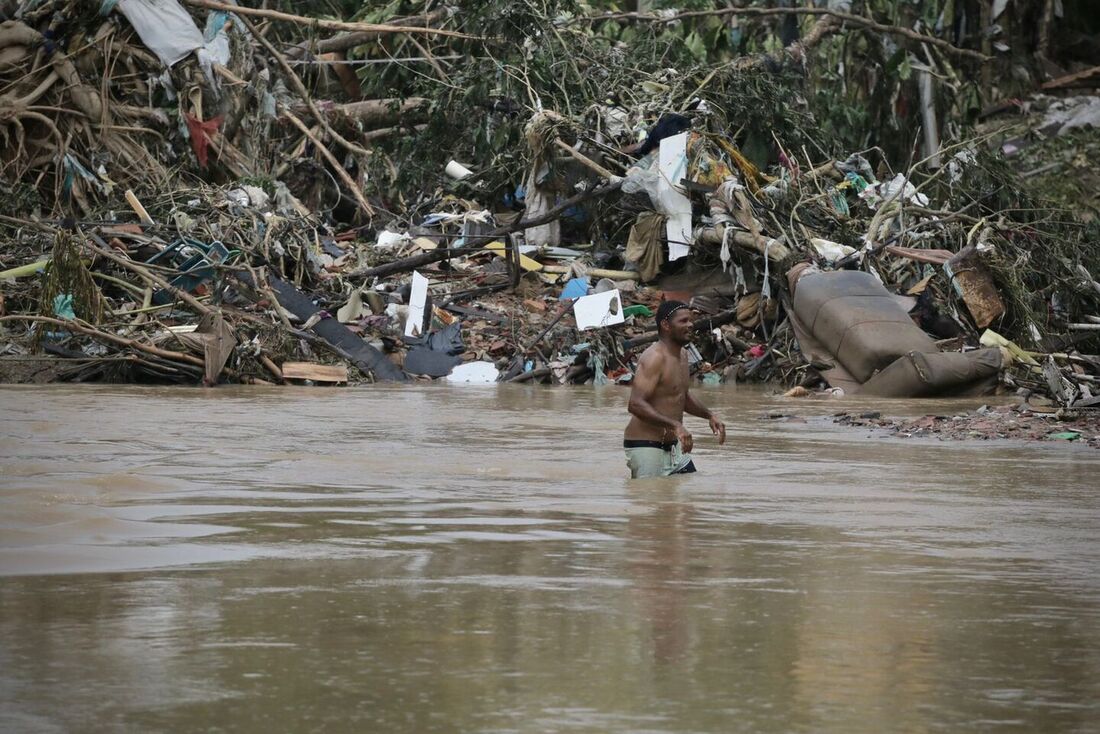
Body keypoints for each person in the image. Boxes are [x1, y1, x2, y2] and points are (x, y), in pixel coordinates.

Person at [624, 300, 726, 478]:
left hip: (674, 448)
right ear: (665, 325)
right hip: (646, 446)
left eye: (691, 320)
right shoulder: (654, 358)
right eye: (683, 321)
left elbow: (681, 396)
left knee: (687, 500)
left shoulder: (683, 355)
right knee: (651, 502)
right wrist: (675, 425)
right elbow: (635, 404)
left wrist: (710, 415)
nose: (690, 325)